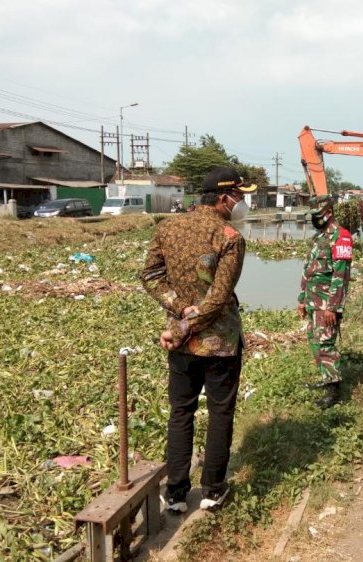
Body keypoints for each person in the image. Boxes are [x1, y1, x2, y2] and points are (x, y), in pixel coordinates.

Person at [141, 166, 257, 514]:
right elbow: (218, 299)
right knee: (220, 413)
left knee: (181, 412)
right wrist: (184, 323)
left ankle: (175, 493)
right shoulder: (229, 236)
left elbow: (150, 276)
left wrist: (177, 315)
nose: (242, 202)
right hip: (218, 343)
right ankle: (212, 490)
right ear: (224, 198)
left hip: (181, 345)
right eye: (239, 195)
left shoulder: (168, 227)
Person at [298, 194, 353, 408]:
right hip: (313, 301)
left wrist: (333, 307)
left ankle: (334, 390)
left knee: (326, 343)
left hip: (326, 304)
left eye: (317, 214)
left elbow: (341, 276)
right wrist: (301, 299)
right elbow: (308, 271)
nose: (314, 218)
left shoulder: (342, 237)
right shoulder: (318, 237)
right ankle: (326, 377)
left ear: (328, 213)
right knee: (314, 341)